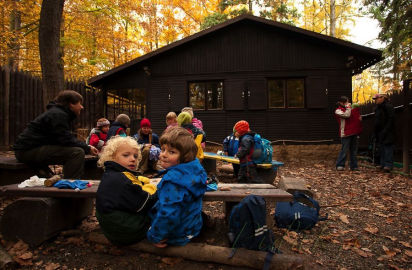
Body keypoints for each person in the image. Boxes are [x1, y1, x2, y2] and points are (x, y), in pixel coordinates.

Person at [13, 90, 98, 179]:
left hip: (28, 149)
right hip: (26, 151)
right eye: (79, 103)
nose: (82, 107)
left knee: (76, 150)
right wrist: (87, 148)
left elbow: (61, 139)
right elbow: (66, 140)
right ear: (71, 104)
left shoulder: (58, 113)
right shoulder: (58, 115)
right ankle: (70, 185)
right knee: (76, 153)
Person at [147, 127, 207, 247]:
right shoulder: (196, 170)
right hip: (192, 226)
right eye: (163, 149)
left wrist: (155, 236)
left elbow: (168, 213)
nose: (164, 155)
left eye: (171, 152)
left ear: (185, 156)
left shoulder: (173, 183)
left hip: (177, 233)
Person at [96, 136, 157, 245]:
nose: (133, 159)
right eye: (126, 155)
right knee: (157, 208)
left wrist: (139, 181)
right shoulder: (122, 180)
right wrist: (152, 189)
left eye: (135, 156)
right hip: (127, 231)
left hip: (112, 229)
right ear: (112, 157)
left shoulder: (111, 174)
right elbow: (145, 202)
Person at [334, 96, 362, 171]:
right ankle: (340, 165)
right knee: (344, 150)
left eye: (347, 102)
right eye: (345, 102)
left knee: (353, 150)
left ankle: (354, 166)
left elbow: (354, 117)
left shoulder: (349, 109)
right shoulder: (338, 111)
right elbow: (347, 115)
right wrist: (349, 108)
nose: (347, 103)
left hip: (354, 132)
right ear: (340, 102)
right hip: (345, 133)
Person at [373, 93, 395, 172]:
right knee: (381, 148)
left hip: (388, 131)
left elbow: (391, 119)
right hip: (379, 131)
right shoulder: (377, 108)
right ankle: (382, 164)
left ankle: (388, 165)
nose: (376, 100)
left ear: (382, 98)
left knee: (388, 147)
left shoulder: (388, 107)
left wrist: (386, 130)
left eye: (377, 98)